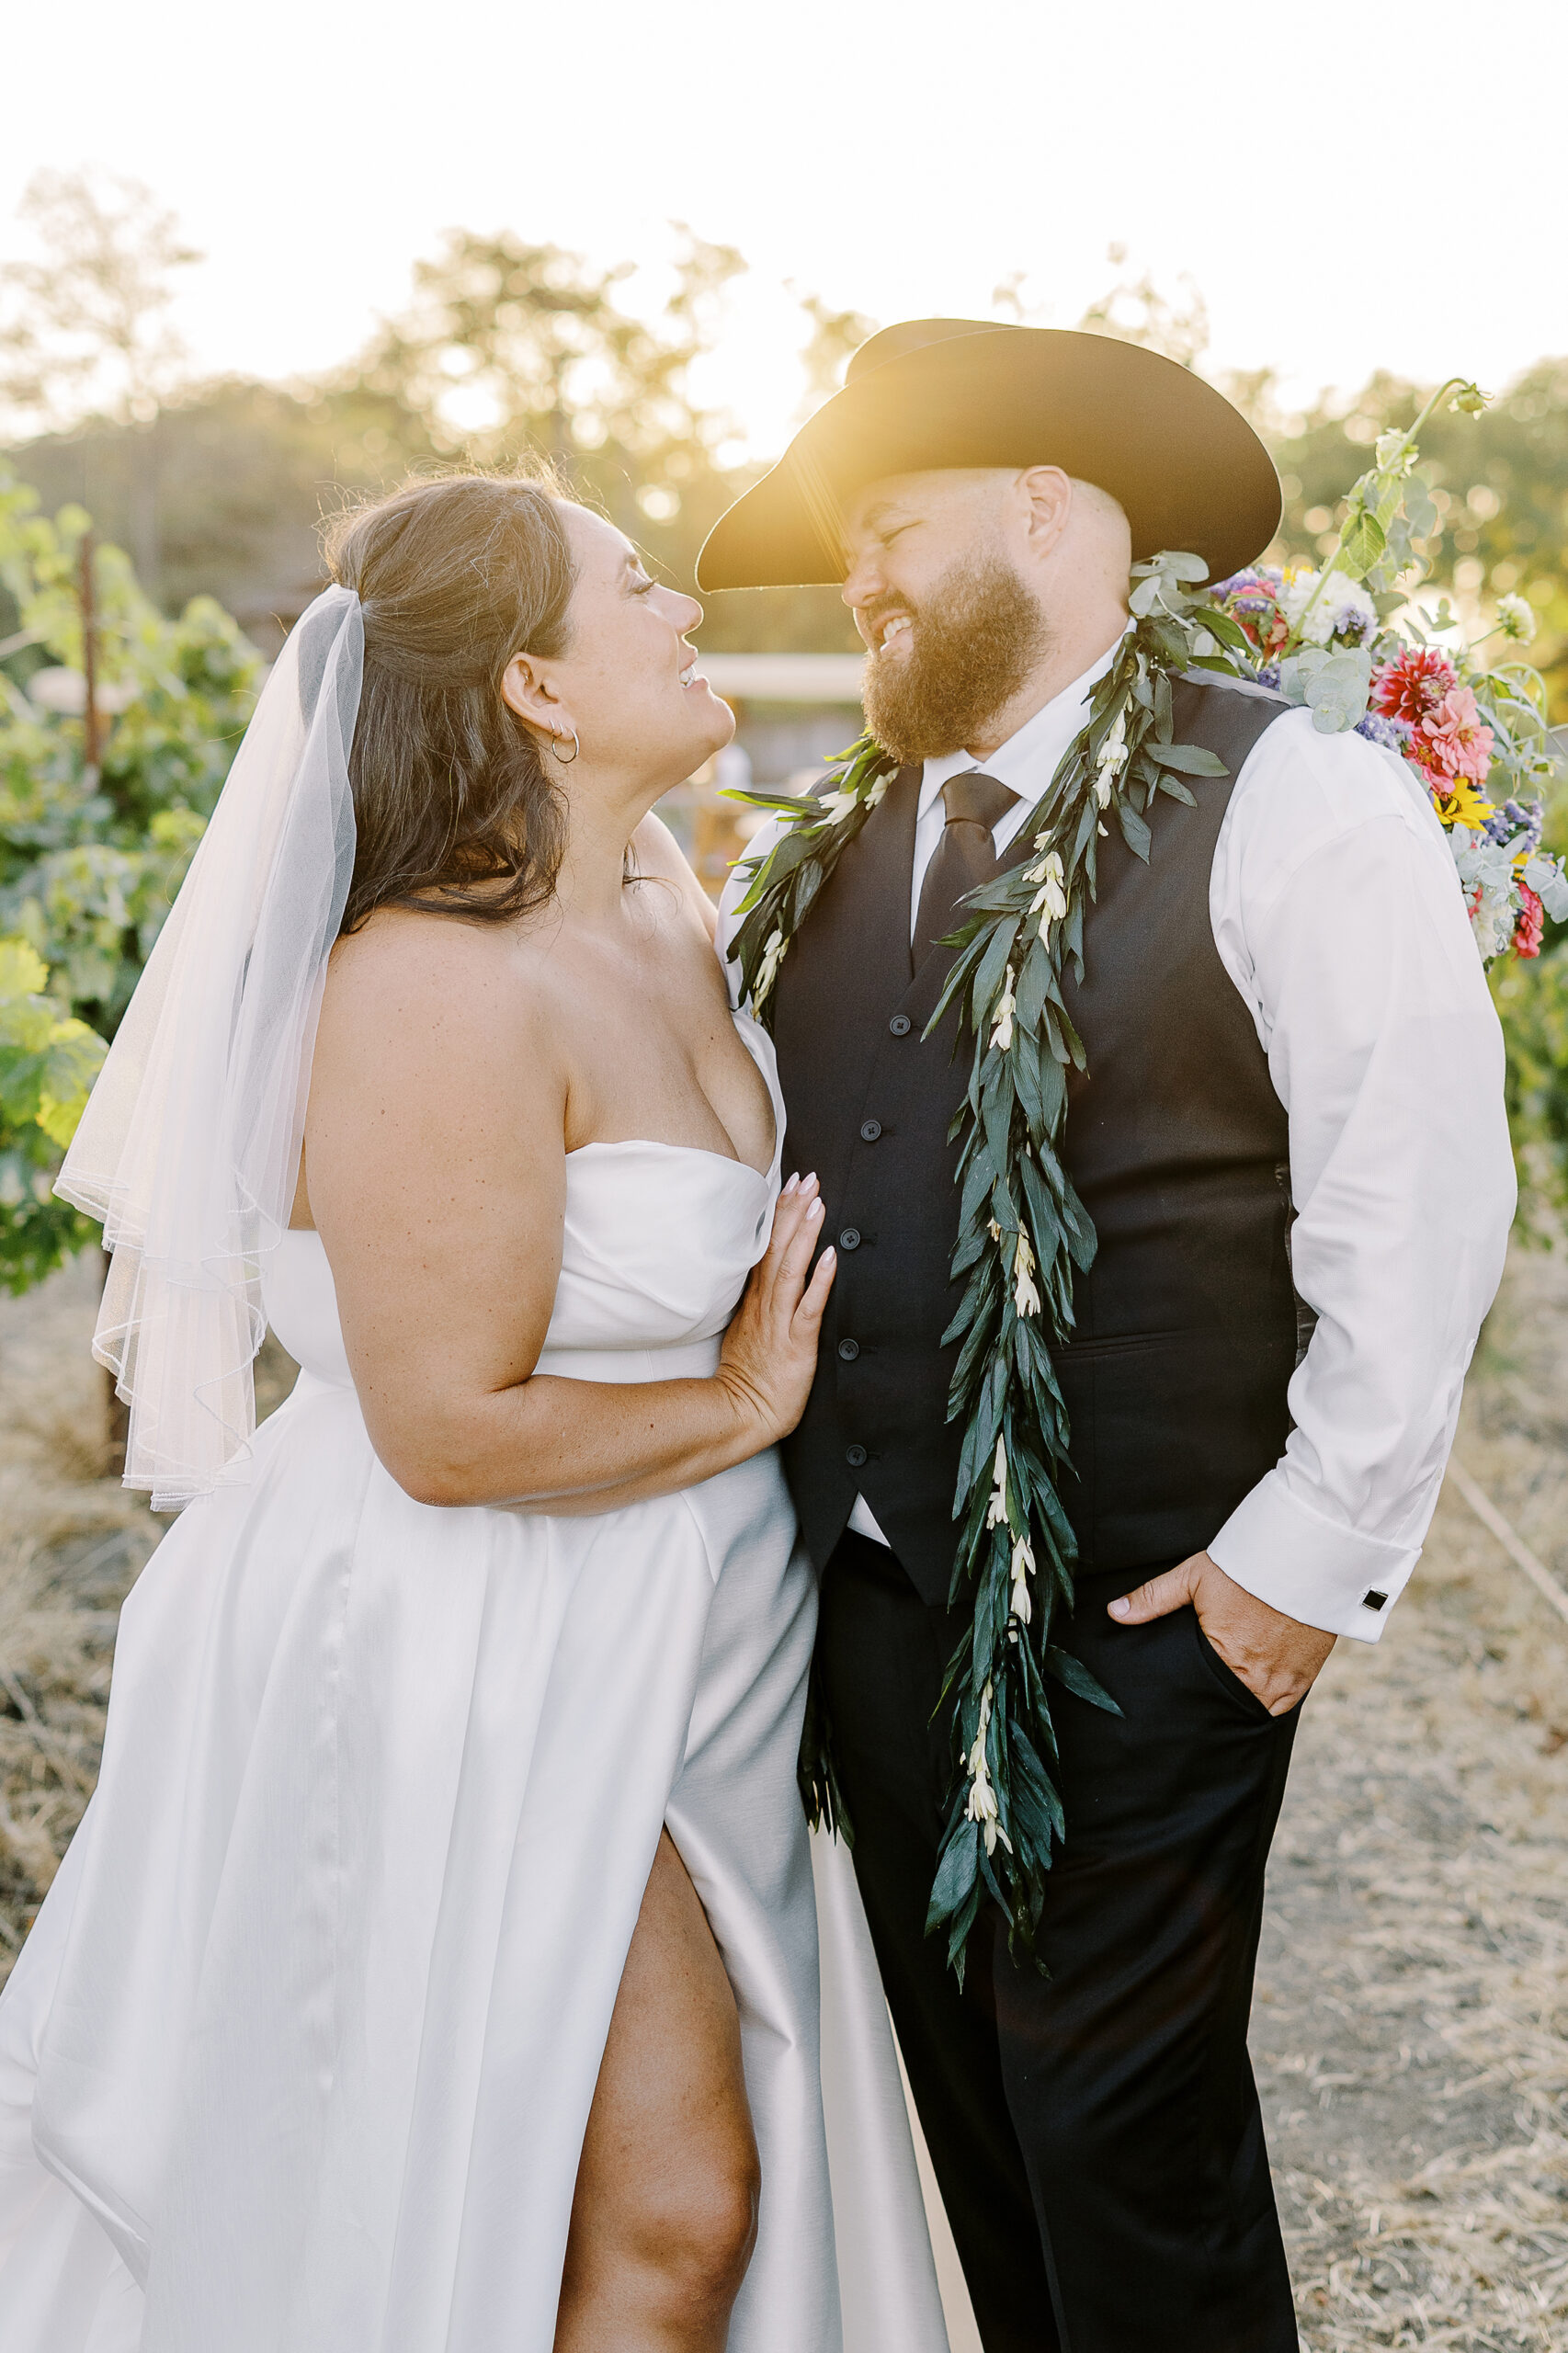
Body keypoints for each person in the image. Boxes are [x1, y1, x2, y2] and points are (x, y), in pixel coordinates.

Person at [0, 473, 949, 2352]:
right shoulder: (432, 983)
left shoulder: (672, 900)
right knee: (668, 2209)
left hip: (688, 1632)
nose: (680, 606)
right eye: (633, 586)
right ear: (536, 684)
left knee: (619, 2195)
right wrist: (745, 1397)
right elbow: (447, 1428)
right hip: (483, 1629)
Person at [705, 318, 1517, 2352]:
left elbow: (1411, 1202)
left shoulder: (1299, 797)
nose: (861, 579)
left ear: (1047, 508)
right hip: (871, 1623)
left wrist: (1294, 1568)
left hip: (1151, 1622)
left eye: (885, 526)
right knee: (975, 2139)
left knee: (1125, 2156)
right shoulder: (825, 858)